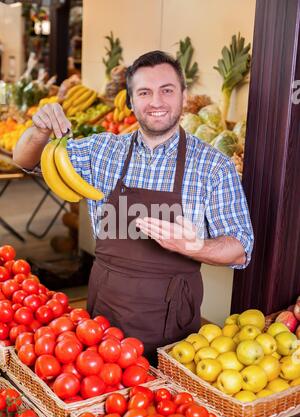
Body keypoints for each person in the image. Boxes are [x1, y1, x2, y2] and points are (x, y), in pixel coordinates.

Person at [13, 51, 254, 364]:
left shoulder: (213, 166)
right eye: (144, 92)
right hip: (102, 319)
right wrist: (39, 129)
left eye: (167, 90)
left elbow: (241, 248)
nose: (156, 101)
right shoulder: (102, 150)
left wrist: (195, 245)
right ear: (130, 100)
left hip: (171, 325)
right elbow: (25, 160)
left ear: (184, 95)